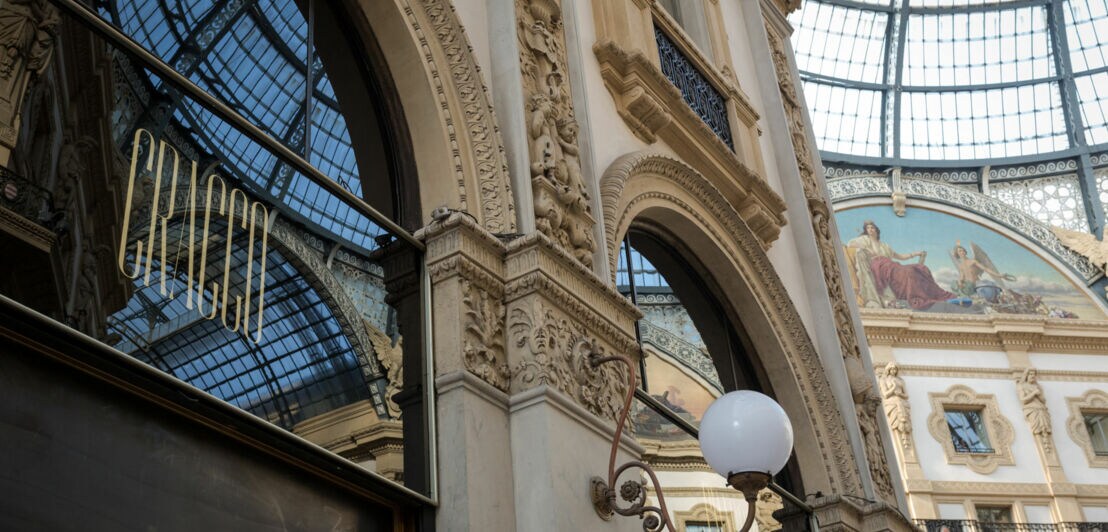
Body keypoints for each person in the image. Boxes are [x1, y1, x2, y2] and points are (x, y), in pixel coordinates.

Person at [847, 220, 955, 310]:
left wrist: (916, 254)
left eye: (872, 228)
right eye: (868, 228)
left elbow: (901, 257)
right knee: (908, 272)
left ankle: (935, 294)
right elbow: (851, 243)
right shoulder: (865, 240)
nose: (870, 230)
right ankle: (916, 295)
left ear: (876, 230)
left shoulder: (884, 246)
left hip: (890, 265)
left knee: (919, 268)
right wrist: (866, 249)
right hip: (879, 266)